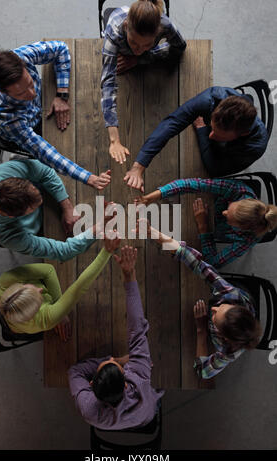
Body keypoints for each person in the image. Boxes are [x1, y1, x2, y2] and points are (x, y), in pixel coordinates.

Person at [0, 40, 110, 190]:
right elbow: (45, 152)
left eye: (30, 83)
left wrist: (62, 94)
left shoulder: (20, 57)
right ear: (2, 91)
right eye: (21, 93)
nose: (32, 94)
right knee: (68, 147)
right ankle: (22, 154)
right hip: (26, 128)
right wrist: (88, 177)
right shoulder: (7, 117)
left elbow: (61, 49)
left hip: (40, 109)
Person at [144, 223, 262, 379]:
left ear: (223, 337)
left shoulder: (228, 352)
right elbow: (197, 263)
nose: (212, 309)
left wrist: (201, 330)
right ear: (233, 305)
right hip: (242, 293)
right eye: (221, 307)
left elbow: (202, 371)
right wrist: (155, 234)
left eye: (215, 318)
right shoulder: (231, 295)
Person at [68, 246, 164, 430]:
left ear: (91, 384)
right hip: (147, 413)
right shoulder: (139, 378)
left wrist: (116, 361)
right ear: (127, 386)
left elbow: (75, 371)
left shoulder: (89, 408)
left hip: (140, 417)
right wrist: (129, 275)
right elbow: (137, 328)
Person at [124, 86, 268, 191]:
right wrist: (138, 166)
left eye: (219, 136)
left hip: (226, 158)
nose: (211, 136)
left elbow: (215, 169)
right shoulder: (211, 98)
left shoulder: (254, 148)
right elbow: (171, 123)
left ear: (242, 134)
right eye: (211, 127)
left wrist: (202, 130)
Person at [101, 0, 186, 164]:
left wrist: (142, 58)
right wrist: (114, 140)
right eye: (133, 42)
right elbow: (108, 83)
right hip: (118, 51)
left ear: (158, 32)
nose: (137, 50)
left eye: (146, 44)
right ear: (126, 26)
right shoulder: (115, 30)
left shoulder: (165, 24)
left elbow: (180, 47)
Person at [0, 159, 111, 260]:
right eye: (33, 207)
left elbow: (46, 172)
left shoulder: (1, 173)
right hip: (35, 232)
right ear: (14, 216)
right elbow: (63, 251)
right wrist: (100, 225)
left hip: (52, 207)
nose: (40, 200)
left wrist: (67, 207)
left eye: (33, 187)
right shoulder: (7, 235)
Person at [0, 237, 121, 342]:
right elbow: (79, 288)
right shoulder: (46, 320)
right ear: (35, 312)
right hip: (18, 329)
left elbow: (48, 270)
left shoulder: (4, 282)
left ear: (18, 287)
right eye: (39, 299)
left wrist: (60, 309)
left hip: (16, 319)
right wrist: (107, 251)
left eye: (29, 287)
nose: (39, 289)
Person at [135, 177, 277, 267]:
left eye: (229, 218)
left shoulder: (247, 239)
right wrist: (150, 198)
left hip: (200, 231)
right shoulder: (238, 191)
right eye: (229, 207)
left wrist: (204, 227)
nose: (224, 212)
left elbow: (212, 263)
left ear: (241, 228)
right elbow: (190, 184)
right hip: (202, 205)